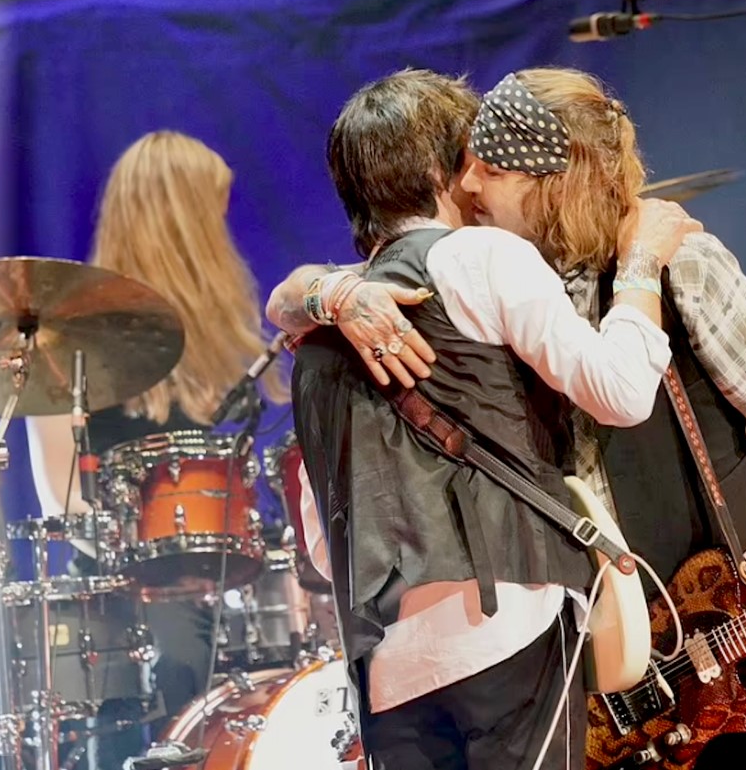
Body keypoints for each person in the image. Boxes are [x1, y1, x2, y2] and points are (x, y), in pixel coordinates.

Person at [268, 67, 746, 770]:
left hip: (738, 624)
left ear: (550, 181)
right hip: (610, 652)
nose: (467, 187)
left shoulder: (676, 266)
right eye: (466, 166)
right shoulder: (479, 280)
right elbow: (304, 297)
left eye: (488, 170)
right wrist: (324, 290)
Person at [284, 68, 697, 770]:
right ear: (442, 169)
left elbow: (326, 549)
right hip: (505, 627)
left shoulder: (314, 340)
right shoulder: (482, 256)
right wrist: (640, 266)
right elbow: (622, 392)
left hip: (387, 672)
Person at [26, 130, 288, 768]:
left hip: (220, 578)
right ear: (183, 224)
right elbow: (59, 494)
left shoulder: (204, 334)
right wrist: (142, 555)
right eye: (213, 215)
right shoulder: (67, 339)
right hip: (124, 588)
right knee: (182, 666)